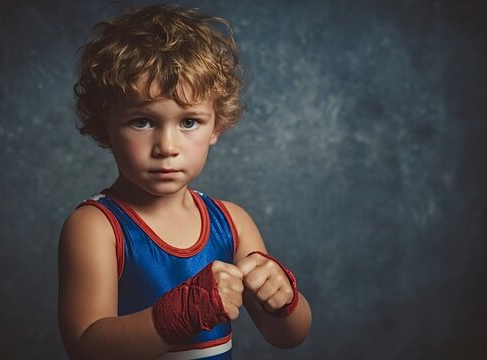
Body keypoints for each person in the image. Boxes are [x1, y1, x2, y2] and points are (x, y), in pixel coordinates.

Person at [58, 4, 312, 359]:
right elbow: (87, 348)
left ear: (217, 126)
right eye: (142, 122)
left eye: (189, 121)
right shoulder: (95, 227)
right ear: (104, 126)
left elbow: (287, 336)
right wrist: (178, 316)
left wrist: (283, 298)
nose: (167, 147)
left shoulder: (232, 223)